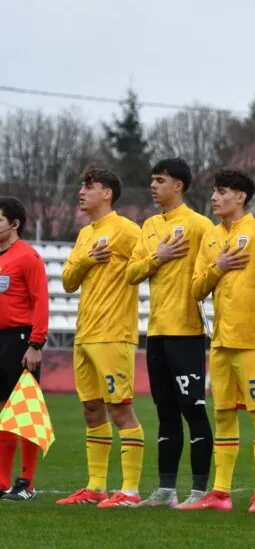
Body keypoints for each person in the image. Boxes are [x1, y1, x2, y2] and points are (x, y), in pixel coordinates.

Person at [187, 169, 255, 512]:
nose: (214, 197)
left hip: (252, 340)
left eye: (222, 191)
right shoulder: (210, 237)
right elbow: (196, 289)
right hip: (221, 342)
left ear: (240, 197)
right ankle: (221, 493)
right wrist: (219, 266)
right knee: (224, 415)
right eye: (214, 191)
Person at [127, 158, 215, 509]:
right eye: (152, 179)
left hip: (187, 332)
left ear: (178, 186)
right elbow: (132, 273)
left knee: (193, 408)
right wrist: (158, 257)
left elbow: (212, 271)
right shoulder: (149, 226)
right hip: (157, 332)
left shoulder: (200, 225)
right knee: (165, 410)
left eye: (160, 180)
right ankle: (166, 490)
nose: (153, 185)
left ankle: (199, 490)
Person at [57, 166, 145, 507]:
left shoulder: (126, 230)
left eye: (89, 186)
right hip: (85, 333)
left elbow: (145, 266)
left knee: (120, 409)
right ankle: (96, 487)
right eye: (82, 186)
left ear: (107, 193)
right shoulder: (85, 234)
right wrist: (88, 260)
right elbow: (68, 281)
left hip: (113, 333)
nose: (81, 192)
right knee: (92, 410)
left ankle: (131, 491)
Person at [0, 197, 48, 501]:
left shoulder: (28, 257)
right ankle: (2, 481)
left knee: (25, 411)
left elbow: (41, 302)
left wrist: (35, 344)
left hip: (20, 340)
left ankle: (26, 483)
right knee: (4, 411)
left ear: (14, 224)